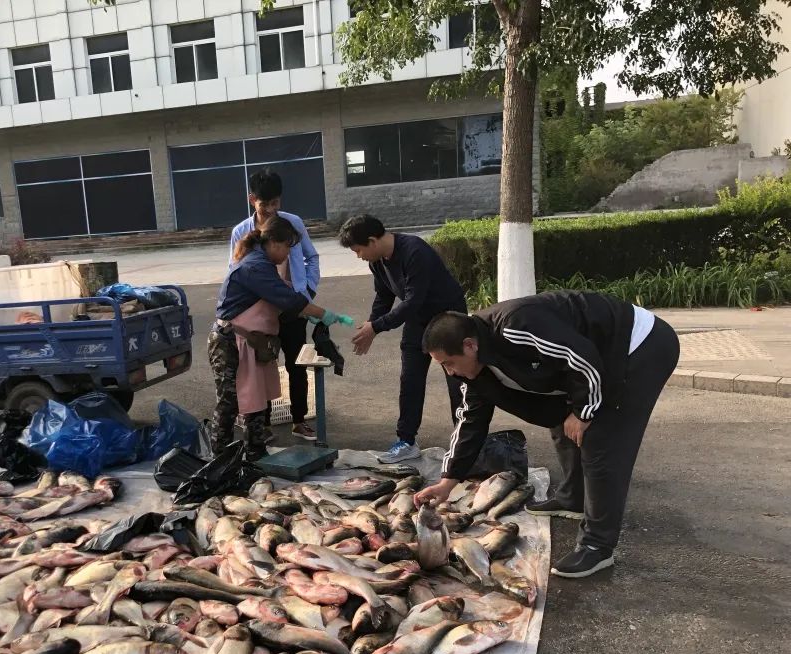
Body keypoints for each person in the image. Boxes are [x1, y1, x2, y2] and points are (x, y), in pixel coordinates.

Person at [412, 291, 680, 578]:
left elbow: (580, 356)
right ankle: (572, 498)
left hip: (637, 346)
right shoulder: (472, 370)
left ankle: (597, 545)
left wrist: (582, 412)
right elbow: (470, 424)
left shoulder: (516, 326)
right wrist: (446, 482)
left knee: (602, 440)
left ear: (469, 345)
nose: (450, 373)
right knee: (560, 420)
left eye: (448, 363)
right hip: (592, 362)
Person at [211, 215, 351, 460]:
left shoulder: (263, 263)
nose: (288, 254)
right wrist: (325, 314)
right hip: (230, 342)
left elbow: (287, 296)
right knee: (230, 403)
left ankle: (256, 454)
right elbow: (288, 300)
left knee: (256, 399)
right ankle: (219, 459)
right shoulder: (255, 266)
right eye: (287, 247)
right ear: (274, 243)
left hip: (252, 342)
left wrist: (315, 315)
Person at [339, 214, 467, 464]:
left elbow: (411, 301)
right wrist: (370, 324)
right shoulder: (377, 261)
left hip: (447, 320)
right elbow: (383, 297)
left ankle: (465, 442)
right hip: (417, 321)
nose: (359, 256)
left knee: (457, 382)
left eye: (358, 250)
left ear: (372, 240)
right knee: (410, 380)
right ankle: (406, 441)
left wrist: (376, 327)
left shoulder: (414, 251)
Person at [229, 169, 321, 441]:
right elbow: (234, 268)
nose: (271, 210)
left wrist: (308, 289)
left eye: (275, 203)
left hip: (293, 307)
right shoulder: (241, 232)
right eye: (264, 204)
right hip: (259, 313)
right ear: (251, 200)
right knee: (261, 366)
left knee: (297, 364)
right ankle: (263, 424)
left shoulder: (293, 223)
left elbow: (311, 257)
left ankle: (299, 420)